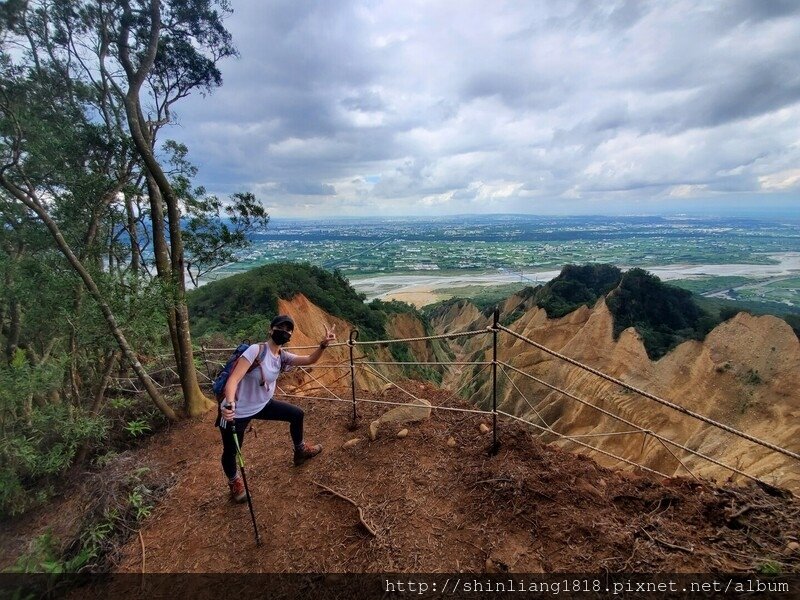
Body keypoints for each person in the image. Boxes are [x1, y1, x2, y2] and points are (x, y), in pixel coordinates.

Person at [219, 314, 336, 502]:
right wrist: (229, 403)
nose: (285, 332)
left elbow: (309, 360)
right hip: (236, 410)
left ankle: (300, 451)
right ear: (270, 330)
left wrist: (323, 345)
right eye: (281, 327)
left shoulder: (282, 356)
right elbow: (233, 380)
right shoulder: (255, 351)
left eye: (288, 330)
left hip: (263, 405)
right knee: (232, 451)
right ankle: (234, 482)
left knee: (296, 414)